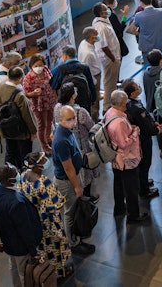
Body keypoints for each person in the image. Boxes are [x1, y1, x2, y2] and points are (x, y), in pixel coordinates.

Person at [0, 164, 45, 285]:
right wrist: (33, 251)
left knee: (13, 266)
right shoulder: (16, 202)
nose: (19, 175)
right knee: (24, 272)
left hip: (8, 239)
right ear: (11, 180)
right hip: (20, 245)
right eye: (16, 174)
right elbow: (25, 228)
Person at [50, 107, 95, 255]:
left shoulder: (64, 131)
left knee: (74, 209)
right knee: (70, 212)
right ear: (60, 120)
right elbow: (68, 168)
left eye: (74, 118)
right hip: (66, 181)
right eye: (69, 119)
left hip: (74, 175)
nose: (73, 122)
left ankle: (76, 236)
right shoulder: (61, 141)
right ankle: (72, 243)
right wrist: (76, 186)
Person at [18, 150, 74, 268]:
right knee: (54, 250)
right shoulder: (44, 183)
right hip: (48, 221)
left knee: (43, 248)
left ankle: (45, 271)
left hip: (34, 220)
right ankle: (56, 272)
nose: (46, 161)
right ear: (38, 165)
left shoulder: (23, 176)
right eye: (43, 159)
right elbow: (56, 205)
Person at [105, 90, 150, 224]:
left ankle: (119, 208)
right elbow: (124, 143)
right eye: (125, 104)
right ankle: (133, 215)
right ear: (118, 104)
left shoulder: (110, 113)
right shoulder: (119, 122)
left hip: (116, 159)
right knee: (131, 188)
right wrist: (135, 132)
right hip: (126, 160)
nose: (127, 106)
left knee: (118, 183)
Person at [52, 82, 98, 195]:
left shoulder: (57, 108)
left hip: (73, 143)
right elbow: (92, 127)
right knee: (86, 174)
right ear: (73, 95)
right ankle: (87, 197)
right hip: (82, 147)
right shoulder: (80, 112)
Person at [0, 67, 36, 167]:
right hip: (21, 130)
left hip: (5, 127)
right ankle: (25, 174)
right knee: (25, 154)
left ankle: (9, 174)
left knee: (10, 151)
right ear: (20, 79)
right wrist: (33, 131)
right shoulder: (19, 95)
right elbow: (27, 115)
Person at [122, 80, 161, 199]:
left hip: (138, 139)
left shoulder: (129, 103)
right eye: (137, 87)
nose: (139, 87)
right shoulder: (136, 108)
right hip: (143, 139)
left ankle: (143, 182)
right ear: (132, 93)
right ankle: (144, 190)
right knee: (145, 163)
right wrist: (156, 130)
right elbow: (145, 125)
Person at [22, 54, 56, 154]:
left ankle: (48, 139)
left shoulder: (46, 70)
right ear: (31, 66)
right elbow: (26, 94)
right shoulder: (28, 78)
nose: (39, 68)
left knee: (50, 121)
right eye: (36, 66)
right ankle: (44, 146)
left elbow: (51, 79)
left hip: (50, 101)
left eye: (40, 65)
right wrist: (34, 93)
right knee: (41, 125)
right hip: (39, 105)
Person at [92, 1, 122, 103]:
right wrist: (113, 58)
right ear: (101, 13)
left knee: (111, 82)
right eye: (105, 9)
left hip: (112, 56)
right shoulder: (101, 27)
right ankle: (108, 105)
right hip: (110, 59)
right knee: (110, 84)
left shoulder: (102, 21)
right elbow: (103, 45)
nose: (108, 10)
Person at [130, 0, 162, 64]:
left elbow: (133, 29)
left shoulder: (138, 15)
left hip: (146, 46)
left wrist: (140, 34)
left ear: (141, 3)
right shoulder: (161, 11)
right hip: (160, 43)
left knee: (148, 65)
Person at [75, 28, 101, 100]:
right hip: (94, 77)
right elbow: (86, 69)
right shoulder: (88, 53)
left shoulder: (84, 42)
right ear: (92, 38)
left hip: (94, 75)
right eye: (96, 34)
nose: (98, 36)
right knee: (95, 100)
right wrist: (94, 82)